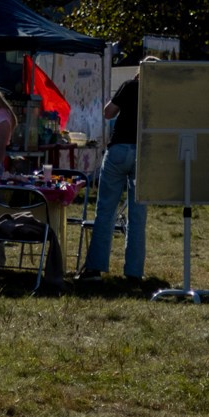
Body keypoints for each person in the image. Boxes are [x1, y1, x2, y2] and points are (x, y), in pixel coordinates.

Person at [85, 65, 146, 279]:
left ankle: (94, 268)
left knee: (105, 211)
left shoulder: (130, 86)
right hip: (144, 153)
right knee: (138, 216)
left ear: (139, 72)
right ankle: (134, 272)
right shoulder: (160, 95)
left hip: (119, 149)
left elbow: (108, 112)